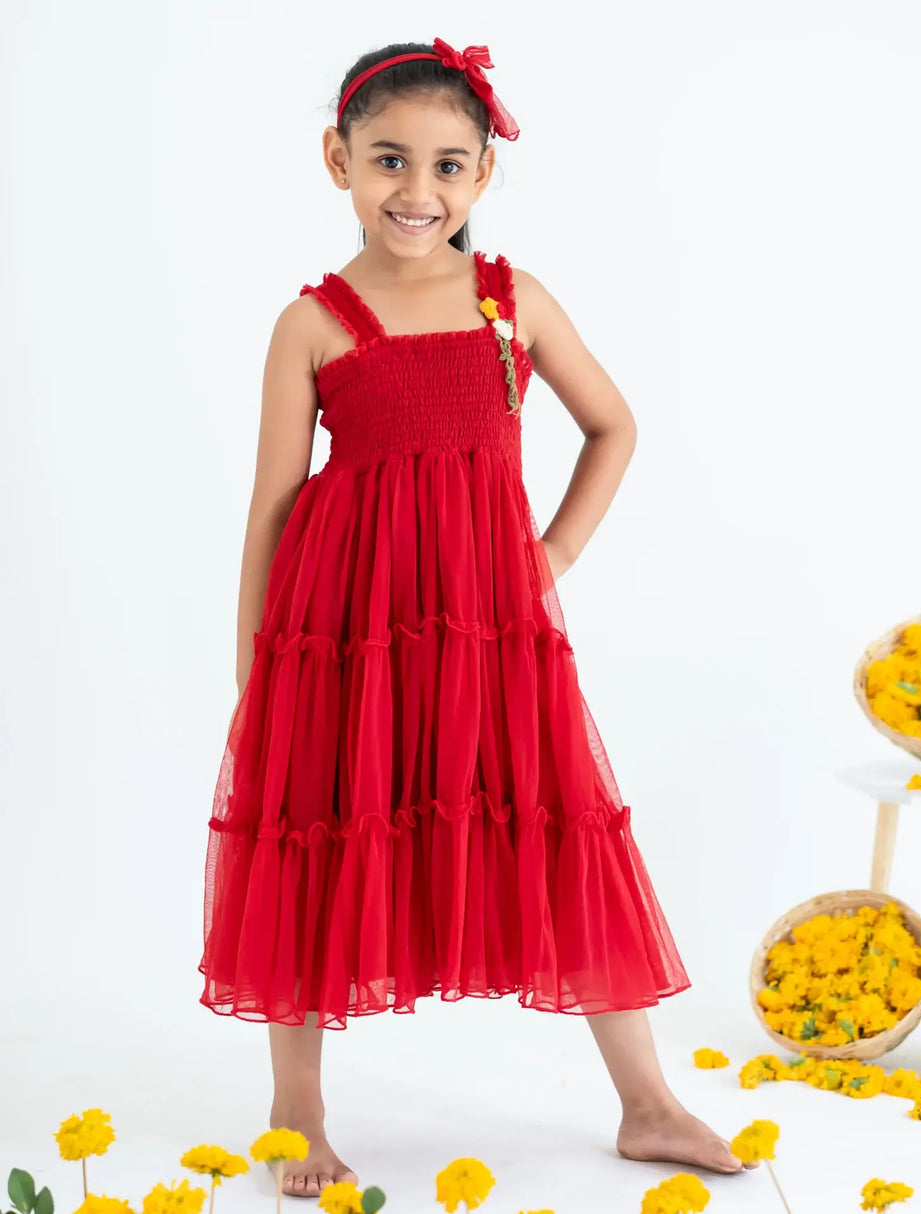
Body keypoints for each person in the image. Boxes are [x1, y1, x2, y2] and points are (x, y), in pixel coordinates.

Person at [196, 38, 760, 1198]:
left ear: (484, 173)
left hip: (491, 630)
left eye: (448, 165)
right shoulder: (314, 322)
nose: (417, 190)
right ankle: (294, 1108)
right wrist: (258, 665)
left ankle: (646, 1103)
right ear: (336, 160)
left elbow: (615, 427)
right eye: (388, 160)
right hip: (341, 629)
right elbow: (269, 506)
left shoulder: (512, 303)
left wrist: (547, 555)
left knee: (562, 824)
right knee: (314, 835)